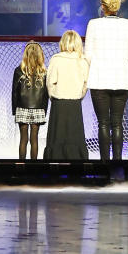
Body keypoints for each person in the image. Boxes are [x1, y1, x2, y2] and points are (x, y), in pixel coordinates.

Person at [84, 0, 128, 163]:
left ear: (102, 6)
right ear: (118, 5)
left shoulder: (94, 24)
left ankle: (105, 163)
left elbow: (88, 55)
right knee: (117, 123)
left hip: (100, 78)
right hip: (121, 78)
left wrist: (101, 64)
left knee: (104, 123)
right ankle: (118, 163)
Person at [44, 30, 90, 160]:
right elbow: (86, 83)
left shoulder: (56, 59)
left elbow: (50, 82)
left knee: (57, 136)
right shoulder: (82, 60)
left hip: (59, 103)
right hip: (75, 103)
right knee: (75, 135)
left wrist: (53, 95)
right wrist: (79, 95)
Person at [11, 40, 49, 161]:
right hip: (38, 108)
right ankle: (34, 166)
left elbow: (14, 92)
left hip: (22, 108)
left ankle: (21, 165)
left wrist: (14, 111)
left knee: (23, 139)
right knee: (34, 139)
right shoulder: (43, 72)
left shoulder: (19, 70)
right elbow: (46, 95)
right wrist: (44, 110)